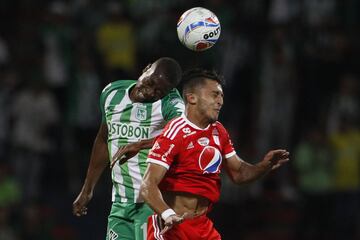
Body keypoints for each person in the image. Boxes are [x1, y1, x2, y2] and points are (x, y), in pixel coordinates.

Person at [140, 69, 289, 239]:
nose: (220, 101)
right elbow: (147, 185)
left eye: (222, 96)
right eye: (214, 95)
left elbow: (238, 173)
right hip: (171, 228)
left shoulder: (219, 132)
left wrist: (264, 166)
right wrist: (167, 215)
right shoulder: (175, 132)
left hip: (201, 227)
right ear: (192, 98)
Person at [72, 57, 185, 240]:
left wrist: (141, 144)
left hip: (152, 205)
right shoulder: (111, 93)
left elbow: (184, 137)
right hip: (120, 205)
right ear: (146, 68)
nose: (150, 92)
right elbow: (103, 140)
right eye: (150, 82)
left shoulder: (171, 103)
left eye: (158, 91)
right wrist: (87, 189)